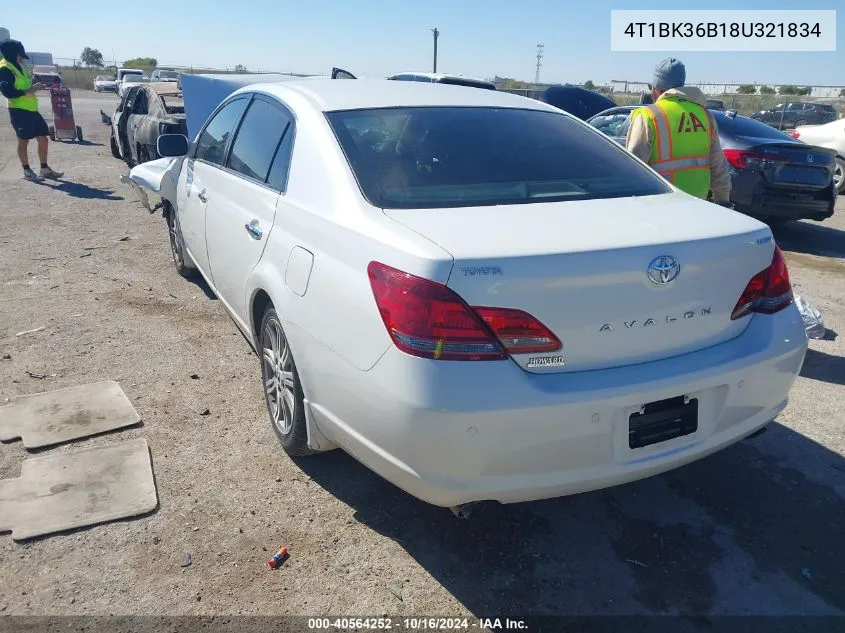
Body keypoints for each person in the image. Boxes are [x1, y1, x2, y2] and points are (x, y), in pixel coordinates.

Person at [626, 58, 730, 205]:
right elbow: (719, 166)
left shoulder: (649, 116)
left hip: (659, 206)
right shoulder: (705, 115)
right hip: (698, 205)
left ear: (656, 88)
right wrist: (723, 200)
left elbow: (633, 168)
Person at [0, 39, 63, 181]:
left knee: (43, 139)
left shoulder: (18, 66)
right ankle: (27, 171)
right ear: (12, 53)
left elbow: (25, 84)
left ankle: (44, 169)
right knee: (24, 141)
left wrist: (35, 85)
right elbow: (7, 92)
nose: (22, 57)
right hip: (18, 110)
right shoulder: (5, 68)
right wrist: (29, 91)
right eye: (20, 54)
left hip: (31, 109)